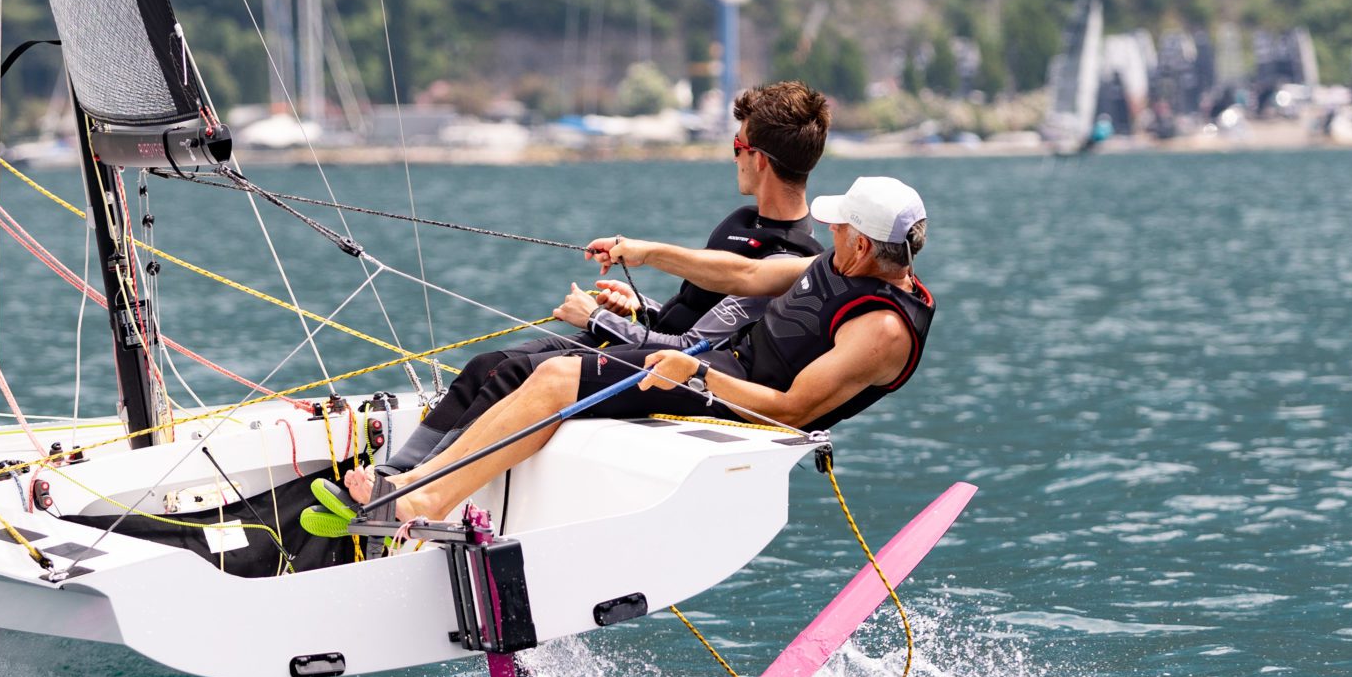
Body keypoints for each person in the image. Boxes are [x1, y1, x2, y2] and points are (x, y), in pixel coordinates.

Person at [322, 175, 934, 530]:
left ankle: (423, 499)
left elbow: (794, 409)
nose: (827, 234)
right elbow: (745, 276)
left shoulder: (882, 329)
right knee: (527, 370)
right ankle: (410, 483)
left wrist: (695, 371)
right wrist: (646, 251)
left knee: (560, 378)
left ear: (860, 244)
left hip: (744, 401)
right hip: (721, 366)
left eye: (837, 229)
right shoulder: (843, 263)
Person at [370, 81, 830, 475]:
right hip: (637, 343)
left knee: (510, 371)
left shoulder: (789, 259)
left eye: (737, 147)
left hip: (665, 373)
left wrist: (595, 318)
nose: (734, 159)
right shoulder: (741, 221)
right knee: (485, 365)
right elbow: (688, 313)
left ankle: (417, 482)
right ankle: (394, 473)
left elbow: (690, 348)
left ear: (761, 159)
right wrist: (638, 306)